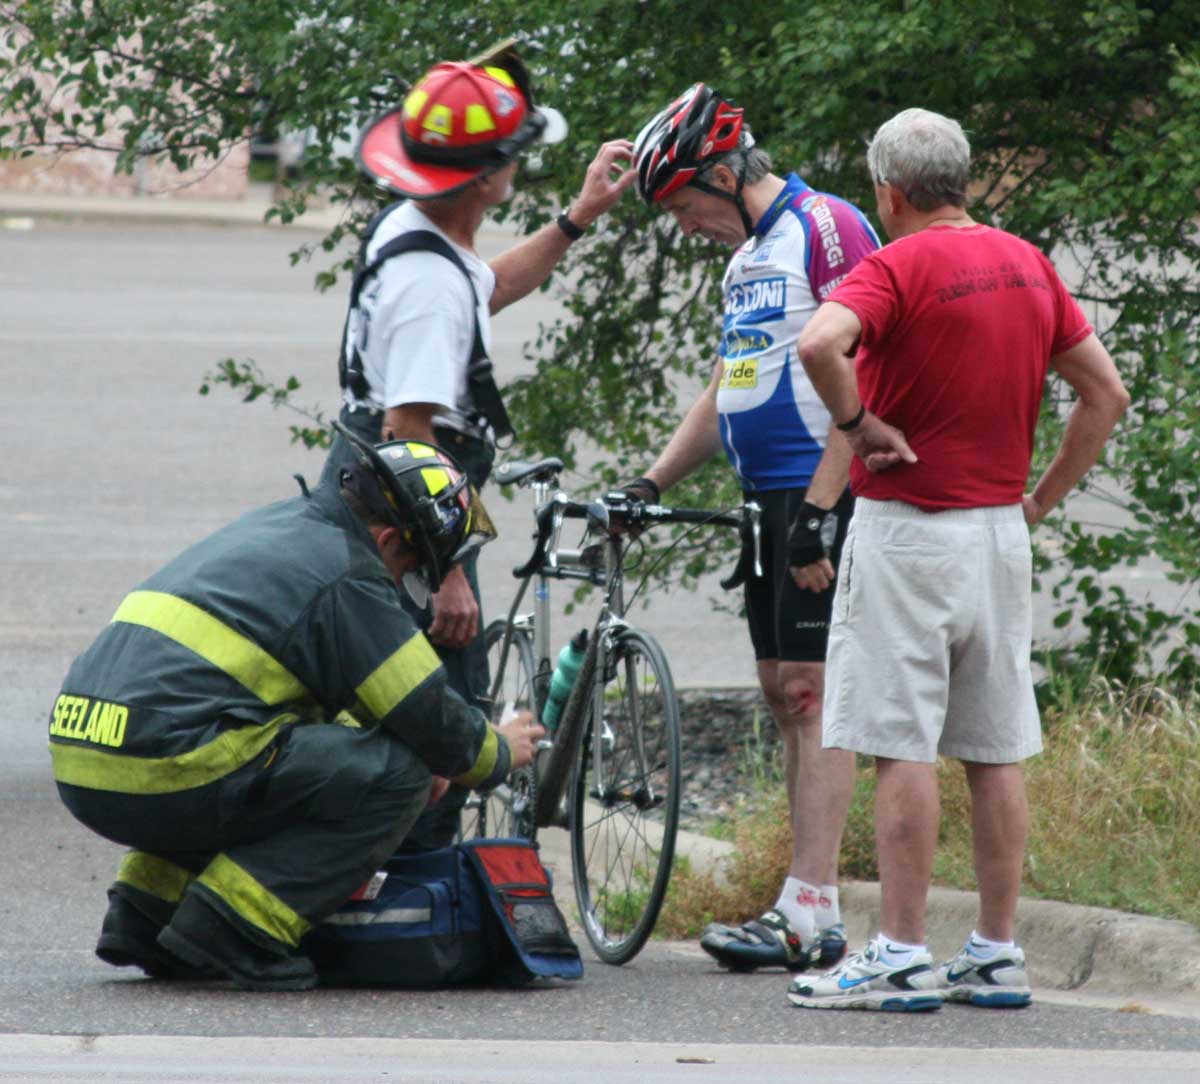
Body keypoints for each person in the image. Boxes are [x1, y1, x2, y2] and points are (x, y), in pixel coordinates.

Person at [786, 107, 1130, 1012]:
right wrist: (1039, 501)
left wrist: (859, 423)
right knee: (993, 746)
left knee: (901, 742)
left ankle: (901, 951)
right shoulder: (1027, 263)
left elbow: (819, 343)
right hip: (997, 536)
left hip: (908, 530)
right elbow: (1105, 392)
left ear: (889, 193)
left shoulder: (893, 265)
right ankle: (996, 950)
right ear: (962, 179)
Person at [50, 426, 545, 991]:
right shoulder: (350, 573)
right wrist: (495, 751)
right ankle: (239, 930)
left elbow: (316, 699)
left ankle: (145, 915)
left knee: (267, 754)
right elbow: (426, 711)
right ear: (388, 539)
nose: (406, 582)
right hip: (167, 763)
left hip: (86, 756)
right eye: (413, 567)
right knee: (396, 776)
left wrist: (423, 745)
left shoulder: (282, 525)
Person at [320, 40, 635, 849]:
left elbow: (483, 288)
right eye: (512, 154)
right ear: (485, 175)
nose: (519, 164)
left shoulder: (420, 231)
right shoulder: (428, 284)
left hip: (374, 503)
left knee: (401, 713)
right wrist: (448, 571)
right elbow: (409, 432)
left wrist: (577, 218)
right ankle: (412, 892)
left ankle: (392, 882)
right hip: (403, 522)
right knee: (441, 725)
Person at [624, 84, 881, 973]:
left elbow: (867, 365)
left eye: (684, 204)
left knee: (812, 690)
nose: (683, 225)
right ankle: (804, 902)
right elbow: (726, 384)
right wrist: (650, 482)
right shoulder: (746, 259)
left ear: (726, 175)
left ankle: (811, 910)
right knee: (782, 691)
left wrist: (822, 507)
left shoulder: (826, 226)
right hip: (766, 498)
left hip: (820, 491)